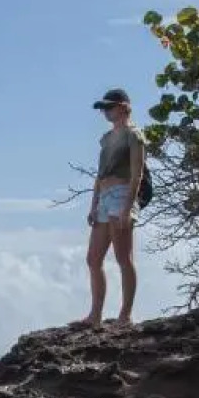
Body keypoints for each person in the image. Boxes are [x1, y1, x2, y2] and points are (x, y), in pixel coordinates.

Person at [79, 87, 144, 328]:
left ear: (123, 107)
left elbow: (137, 173)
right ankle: (94, 316)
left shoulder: (134, 135)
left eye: (109, 107)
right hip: (104, 196)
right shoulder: (106, 138)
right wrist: (93, 204)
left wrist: (127, 208)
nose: (105, 112)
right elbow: (99, 174)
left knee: (123, 258)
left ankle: (125, 315)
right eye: (103, 108)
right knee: (93, 259)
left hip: (122, 194)